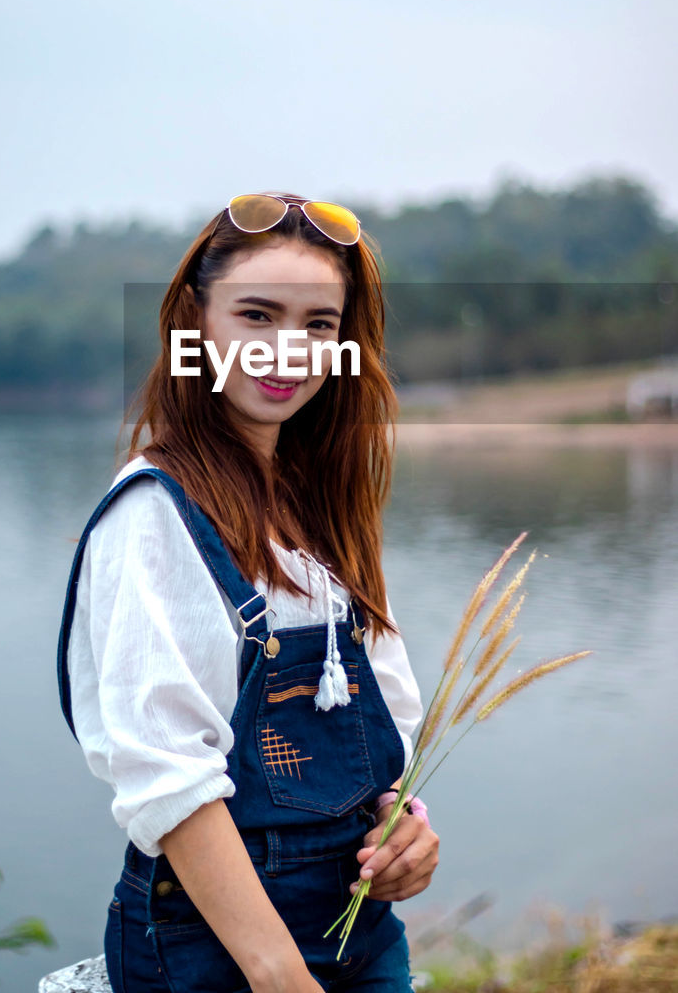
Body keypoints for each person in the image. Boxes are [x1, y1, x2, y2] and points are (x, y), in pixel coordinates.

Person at [57, 192, 440, 993]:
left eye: (318, 325)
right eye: (257, 316)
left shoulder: (319, 506)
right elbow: (167, 776)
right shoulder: (155, 512)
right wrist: (278, 974)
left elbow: (381, 728)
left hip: (359, 933)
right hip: (217, 951)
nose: (287, 352)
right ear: (194, 324)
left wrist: (402, 827)